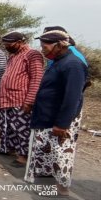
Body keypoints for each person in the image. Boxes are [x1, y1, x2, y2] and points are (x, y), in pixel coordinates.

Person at [24, 30, 88, 196]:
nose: (42, 50)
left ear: (59, 45)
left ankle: (60, 191)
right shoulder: (59, 62)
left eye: (45, 47)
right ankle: (48, 189)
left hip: (58, 122)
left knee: (60, 157)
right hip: (47, 118)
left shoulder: (73, 65)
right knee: (46, 156)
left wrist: (62, 124)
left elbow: (72, 98)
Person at [0, 31, 44, 167]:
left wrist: (29, 101)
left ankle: (24, 155)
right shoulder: (13, 56)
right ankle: (9, 149)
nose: (6, 46)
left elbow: (36, 78)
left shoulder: (32, 54)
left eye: (9, 44)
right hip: (6, 98)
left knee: (22, 129)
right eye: (5, 44)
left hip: (20, 99)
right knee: (6, 126)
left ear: (20, 42)